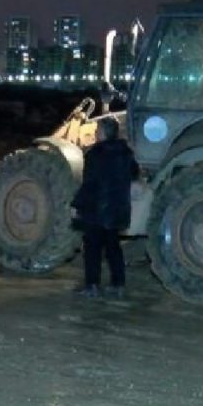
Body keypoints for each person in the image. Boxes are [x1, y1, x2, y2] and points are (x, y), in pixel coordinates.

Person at [71, 116, 139, 298]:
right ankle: (118, 284)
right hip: (116, 209)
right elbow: (134, 173)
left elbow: (90, 183)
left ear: (102, 133)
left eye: (97, 131)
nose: (94, 134)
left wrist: (77, 204)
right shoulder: (126, 153)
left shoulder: (95, 154)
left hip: (96, 210)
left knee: (92, 249)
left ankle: (92, 285)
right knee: (113, 248)